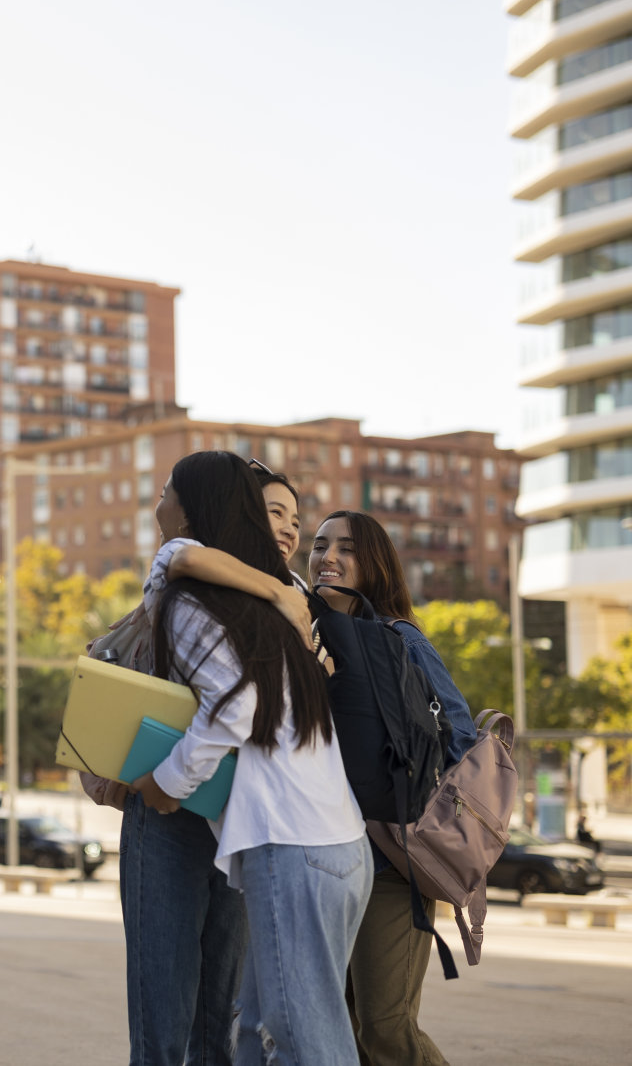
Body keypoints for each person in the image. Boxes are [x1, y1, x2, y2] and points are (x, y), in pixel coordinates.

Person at [132, 451, 371, 1064]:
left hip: (291, 843)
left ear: (191, 509)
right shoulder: (279, 602)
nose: (157, 502)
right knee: (259, 1035)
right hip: (339, 844)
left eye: (165, 491)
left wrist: (168, 781)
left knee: (305, 1045)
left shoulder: (191, 597)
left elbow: (234, 707)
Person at [78, 459, 309, 1066]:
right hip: (192, 809)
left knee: (206, 1014)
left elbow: (251, 703)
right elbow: (185, 557)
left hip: (221, 811)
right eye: (270, 511)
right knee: (180, 1015)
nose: (285, 528)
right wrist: (280, 593)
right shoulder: (217, 580)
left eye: (165, 493)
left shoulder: (286, 595)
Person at [310, 510, 477, 1065]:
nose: (328, 557)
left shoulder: (400, 639)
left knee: (385, 1026)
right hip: (322, 858)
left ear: (375, 564)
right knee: (341, 1028)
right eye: (320, 545)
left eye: (347, 548)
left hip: (390, 863)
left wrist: (417, 813)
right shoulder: (306, 640)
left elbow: (461, 738)